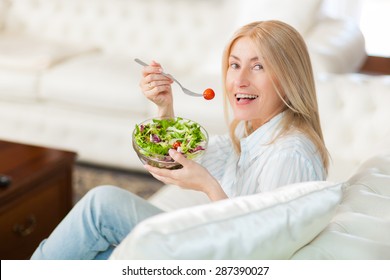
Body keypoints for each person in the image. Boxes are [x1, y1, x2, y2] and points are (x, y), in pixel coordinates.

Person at [31, 20, 329, 260]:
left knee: (101, 206)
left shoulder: (288, 154)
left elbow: (258, 256)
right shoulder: (252, 131)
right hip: (211, 244)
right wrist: (164, 107)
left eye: (258, 66)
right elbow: (181, 159)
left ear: (290, 79)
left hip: (217, 257)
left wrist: (207, 186)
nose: (239, 80)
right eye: (235, 65)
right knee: (96, 255)